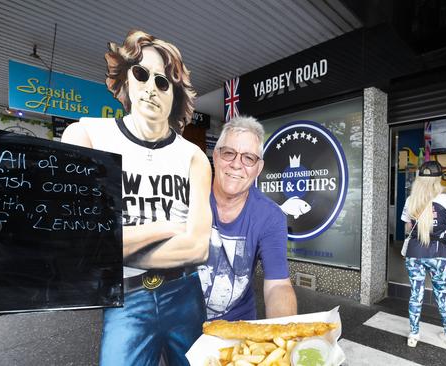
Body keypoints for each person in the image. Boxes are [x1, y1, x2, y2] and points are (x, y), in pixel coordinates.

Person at [62, 30, 212, 366]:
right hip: (127, 298)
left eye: (163, 82)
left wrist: (111, 246)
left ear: (175, 95)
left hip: (184, 292)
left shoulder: (195, 158)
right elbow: (81, 244)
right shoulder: (87, 136)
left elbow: (197, 248)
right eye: (141, 73)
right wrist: (167, 227)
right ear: (126, 78)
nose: (150, 87)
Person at [198, 116, 297, 321]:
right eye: (229, 153)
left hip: (235, 326)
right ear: (215, 156)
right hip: (178, 326)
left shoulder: (270, 217)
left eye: (248, 158)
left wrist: (283, 334)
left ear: (258, 168)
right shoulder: (187, 195)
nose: (236, 164)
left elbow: (278, 285)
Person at [401, 160, 446, 349]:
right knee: (441, 293)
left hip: (415, 253)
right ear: (438, 179)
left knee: (415, 293)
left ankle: (413, 334)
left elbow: (408, 227)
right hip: (438, 253)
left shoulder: (411, 200)